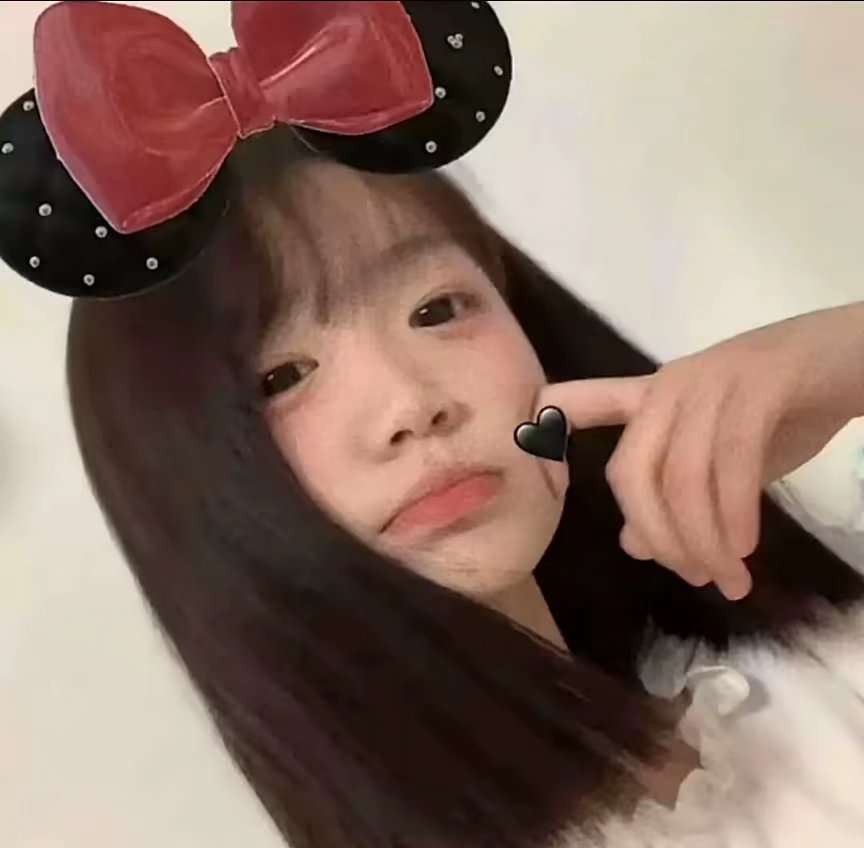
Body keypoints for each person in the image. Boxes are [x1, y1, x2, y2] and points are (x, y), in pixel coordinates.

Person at [6, 3, 864, 846]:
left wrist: (842, 357)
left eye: (438, 309)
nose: (413, 406)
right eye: (283, 378)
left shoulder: (798, 671)